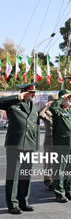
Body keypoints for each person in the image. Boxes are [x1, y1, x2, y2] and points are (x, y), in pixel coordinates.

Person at [1, 83, 40, 214]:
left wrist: (35, 145)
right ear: (24, 92)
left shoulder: (34, 107)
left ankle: (23, 201)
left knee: (25, 175)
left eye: (34, 92)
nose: (33, 95)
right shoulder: (13, 104)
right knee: (13, 175)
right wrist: (17, 97)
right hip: (15, 144)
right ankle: (13, 204)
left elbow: (36, 128)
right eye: (31, 92)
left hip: (29, 144)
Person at [50, 89, 71, 203]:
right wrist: (61, 99)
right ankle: (59, 193)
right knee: (60, 170)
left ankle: (68, 190)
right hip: (61, 145)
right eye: (68, 97)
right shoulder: (57, 111)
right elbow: (53, 108)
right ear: (62, 99)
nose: (70, 99)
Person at [39, 94, 58, 191]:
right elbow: (39, 113)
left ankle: (55, 180)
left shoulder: (58, 111)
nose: (55, 103)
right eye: (54, 101)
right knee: (48, 162)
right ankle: (48, 181)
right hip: (49, 140)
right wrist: (46, 105)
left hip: (57, 140)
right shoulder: (46, 111)